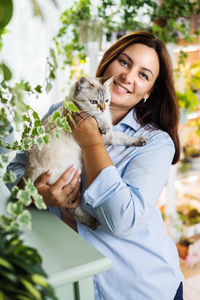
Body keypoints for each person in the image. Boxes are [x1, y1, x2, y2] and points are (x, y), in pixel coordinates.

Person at [7, 31, 184, 299]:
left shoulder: (154, 143)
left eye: (143, 75)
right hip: (78, 282)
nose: (128, 76)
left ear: (149, 92)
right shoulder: (60, 110)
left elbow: (123, 221)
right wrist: (37, 193)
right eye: (124, 62)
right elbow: (16, 169)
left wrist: (93, 144)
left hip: (139, 287)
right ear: (108, 64)